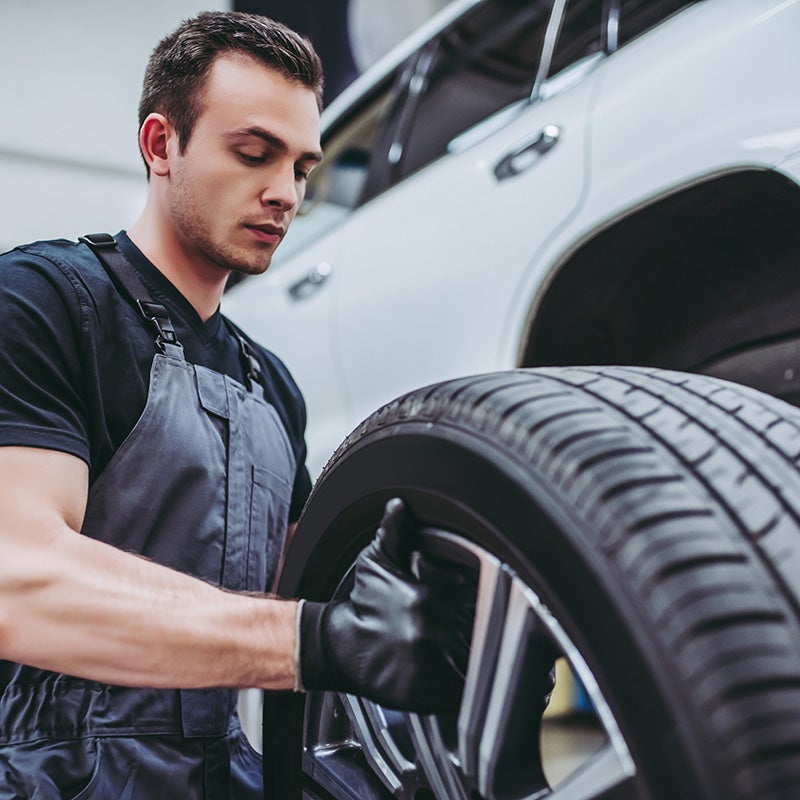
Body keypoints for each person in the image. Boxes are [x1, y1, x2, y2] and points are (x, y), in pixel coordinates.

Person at [0, 12, 473, 798]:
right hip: (51, 775)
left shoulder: (269, 384)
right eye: (254, 154)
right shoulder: (44, 303)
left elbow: (312, 591)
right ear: (161, 145)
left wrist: (455, 634)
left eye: (302, 168)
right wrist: (312, 642)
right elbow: (17, 579)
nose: (285, 194)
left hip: (225, 773)